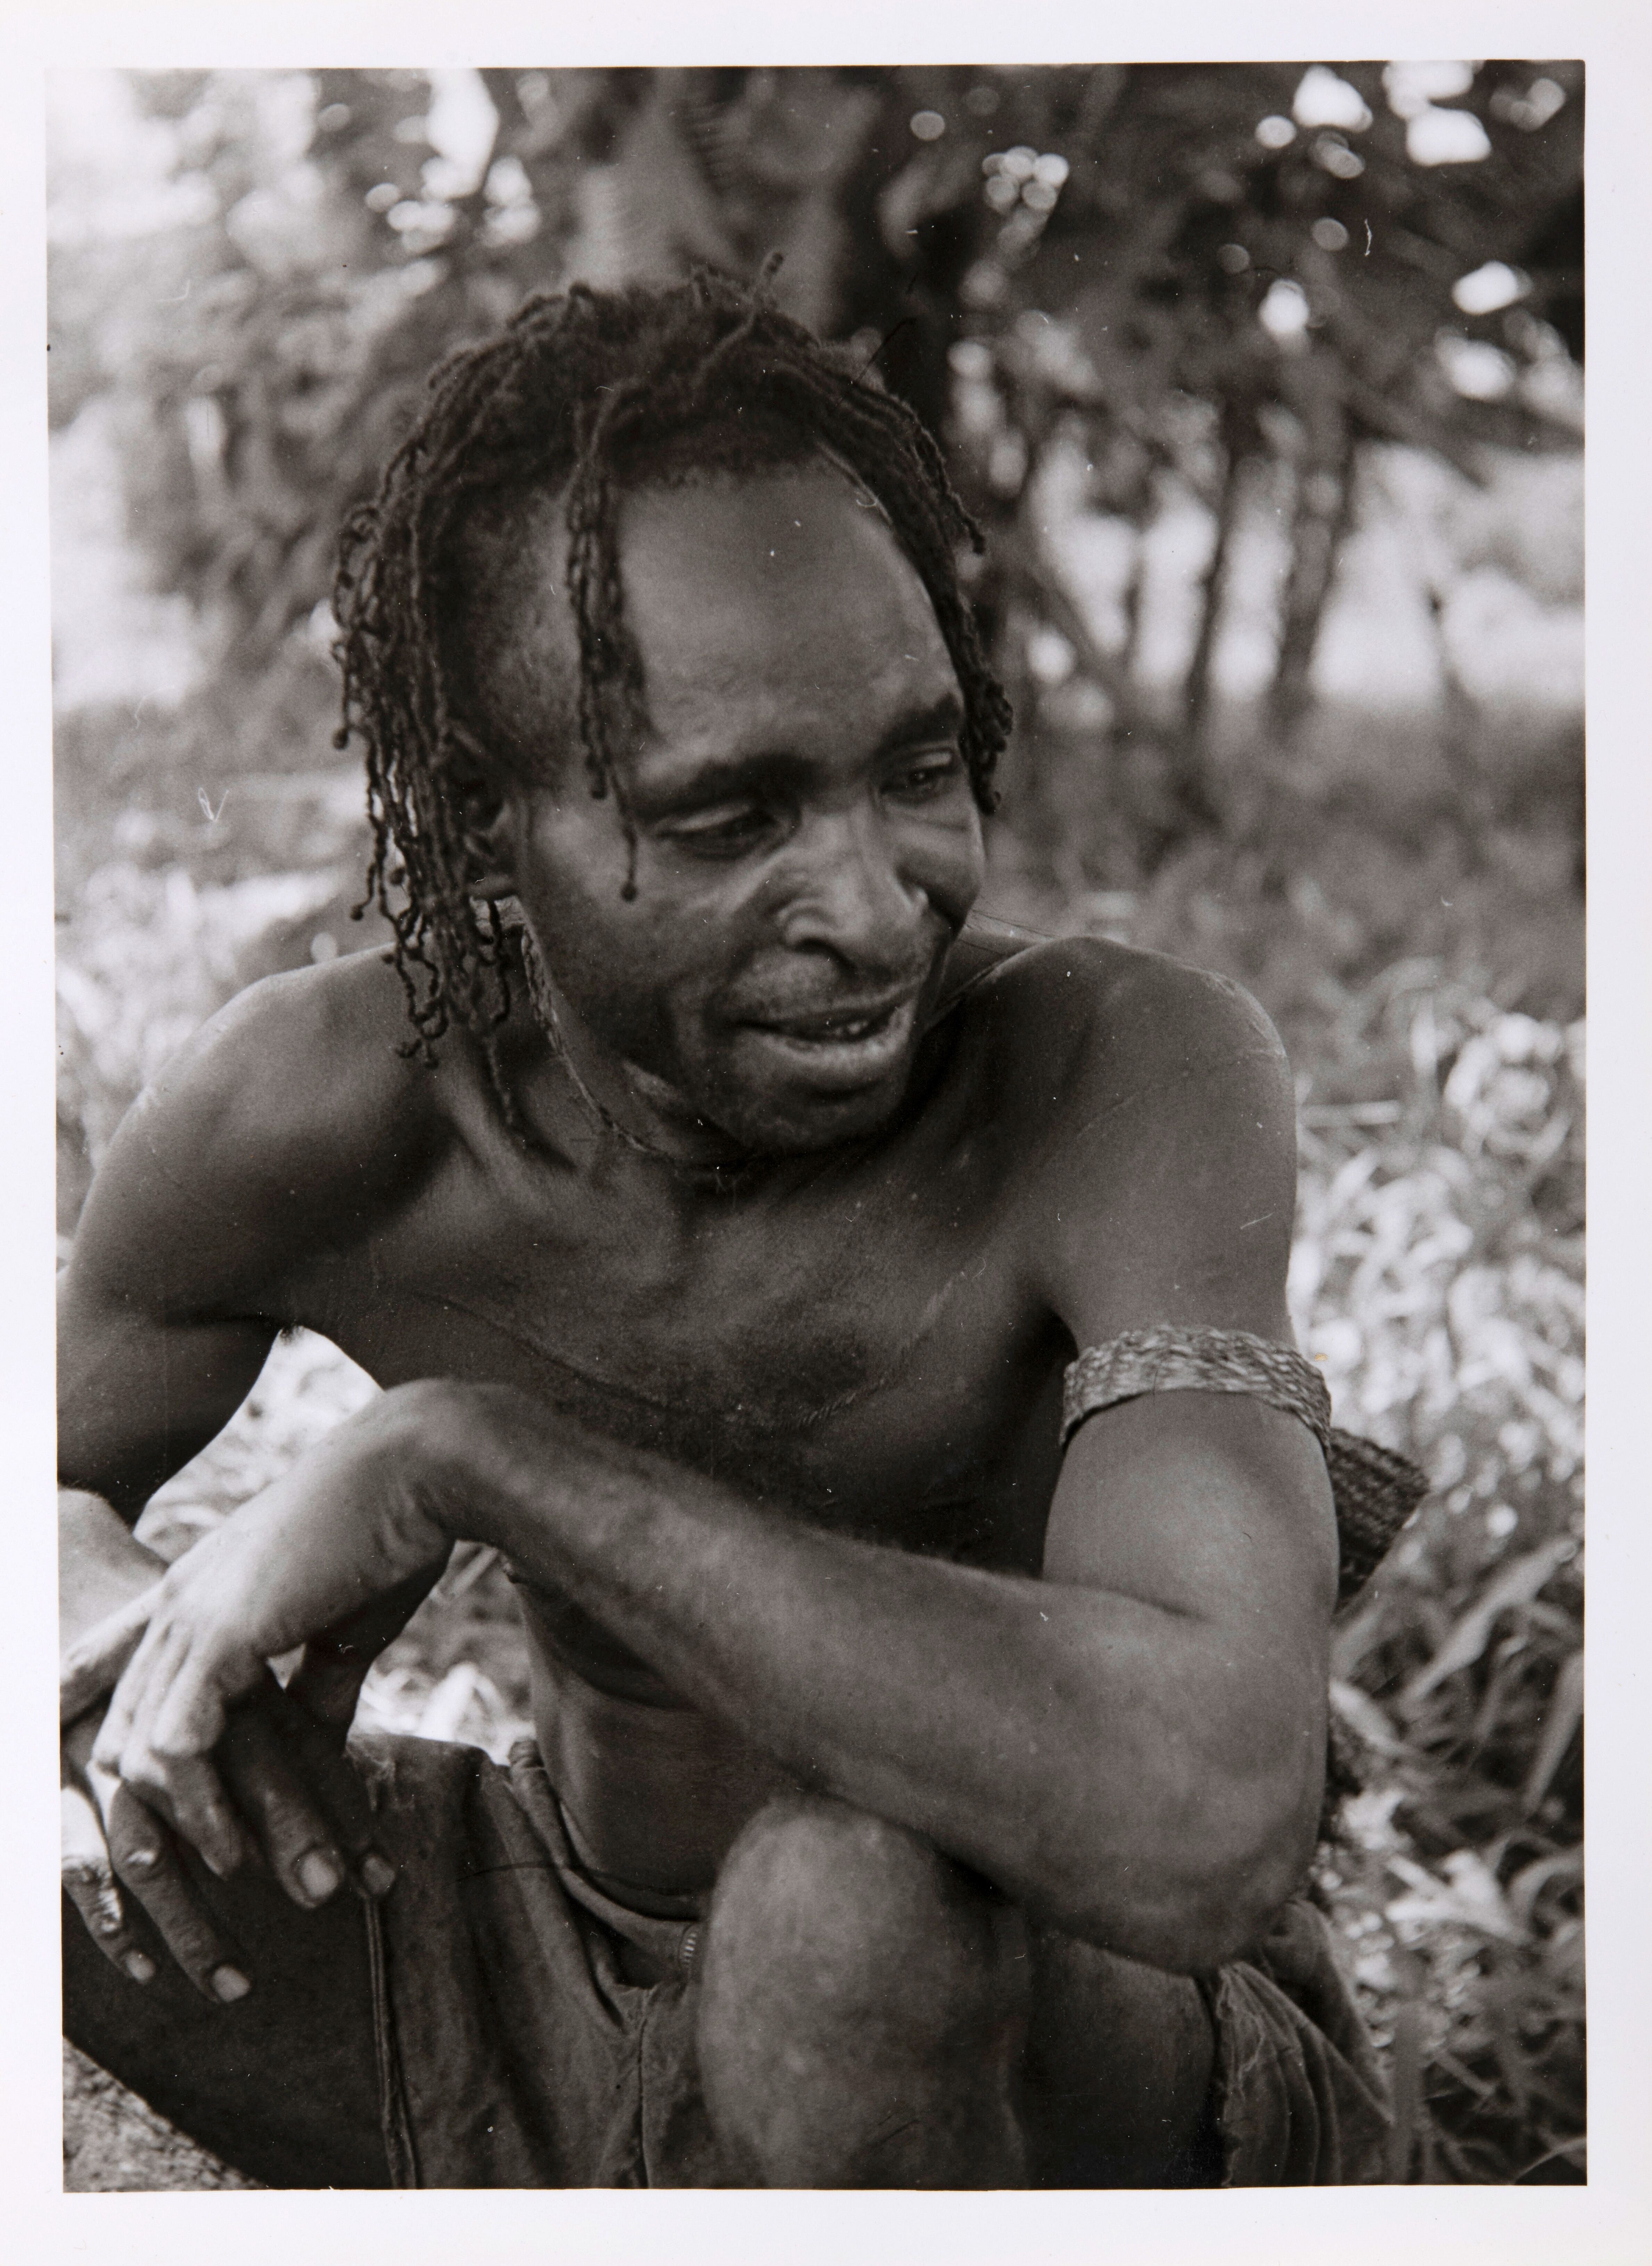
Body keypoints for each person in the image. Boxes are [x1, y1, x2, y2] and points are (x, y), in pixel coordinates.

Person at [59, 271, 1403, 2191]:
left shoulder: (1119, 1072)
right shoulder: (315, 1107)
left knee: (846, 1912)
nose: (873, 905)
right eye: (728, 822)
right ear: (481, 824)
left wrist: (471, 1460)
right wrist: (121, 1643)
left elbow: (1208, 1823)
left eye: (920, 771)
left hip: (1061, 2028)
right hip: (531, 1963)